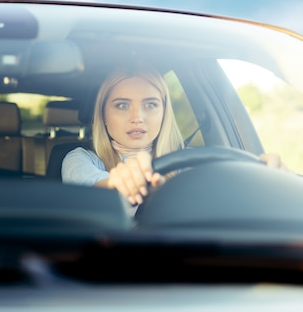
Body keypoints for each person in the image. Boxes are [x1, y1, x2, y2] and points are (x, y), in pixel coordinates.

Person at [61, 62, 288, 214]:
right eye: (122, 105)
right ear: (103, 115)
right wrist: (121, 183)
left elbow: (226, 194)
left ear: (164, 112)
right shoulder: (80, 160)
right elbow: (91, 185)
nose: (137, 117)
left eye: (150, 104)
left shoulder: (189, 162)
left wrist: (266, 181)